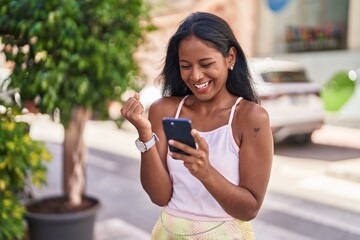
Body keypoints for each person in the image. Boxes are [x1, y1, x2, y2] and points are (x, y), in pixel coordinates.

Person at [121, 11, 273, 239]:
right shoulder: (164, 110)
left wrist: (206, 172)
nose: (196, 76)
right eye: (185, 66)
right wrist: (145, 135)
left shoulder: (251, 118)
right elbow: (160, 197)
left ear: (230, 57)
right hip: (169, 232)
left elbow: (249, 208)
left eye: (206, 64)